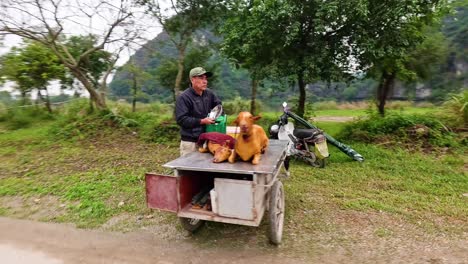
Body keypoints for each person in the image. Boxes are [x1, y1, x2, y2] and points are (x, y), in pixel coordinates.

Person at [175, 67, 222, 156]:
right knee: (188, 168)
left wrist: (215, 116)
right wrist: (202, 121)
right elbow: (181, 119)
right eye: (201, 78)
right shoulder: (184, 98)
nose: (205, 81)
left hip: (206, 140)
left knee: (204, 168)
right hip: (190, 142)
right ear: (192, 80)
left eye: (205, 78)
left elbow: (218, 105)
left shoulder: (209, 94)